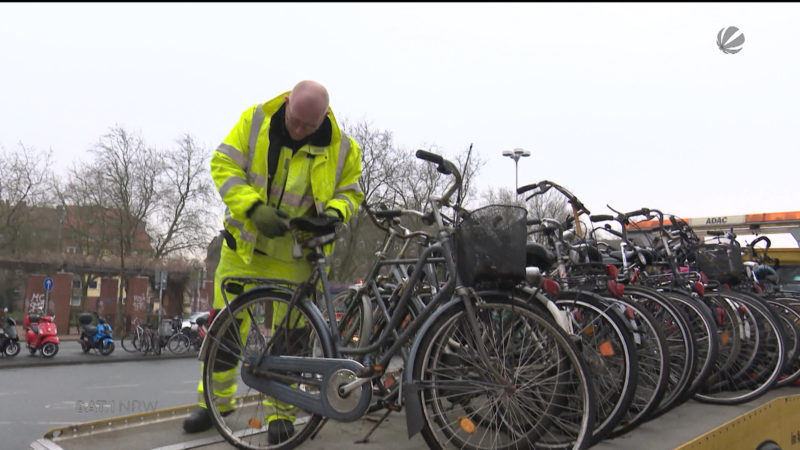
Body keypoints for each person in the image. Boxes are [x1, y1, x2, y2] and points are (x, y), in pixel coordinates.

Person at [182, 80, 364, 444]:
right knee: (225, 331)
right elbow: (223, 163)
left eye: (307, 127)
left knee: (291, 339)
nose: (298, 130)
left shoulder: (343, 148)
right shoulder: (254, 122)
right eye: (295, 121)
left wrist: (331, 215)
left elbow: (351, 191)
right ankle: (215, 403)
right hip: (244, 249)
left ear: (324, 117)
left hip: (295, 256)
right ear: (286, 103)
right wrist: (252, 206)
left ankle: (282, 411)